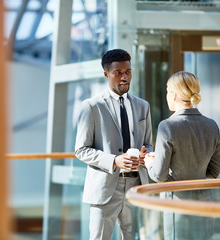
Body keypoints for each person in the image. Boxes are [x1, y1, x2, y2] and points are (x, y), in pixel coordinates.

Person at [75, 48, 153, 240]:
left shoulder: (143, 106)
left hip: (137, 185)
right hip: (105, 187)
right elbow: (81, 150)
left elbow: (148, 144)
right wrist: (114, 160)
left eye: (128, 72)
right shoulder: (92, 107)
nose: (124, 77)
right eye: (118, 73)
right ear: (106, 74)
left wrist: (146, 155)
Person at [144, 71, 220, 240]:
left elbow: (159, 175)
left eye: (167, 91)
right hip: (205, 204)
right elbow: (214, 172)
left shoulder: (167, 126)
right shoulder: (212, 125)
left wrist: (150, 161)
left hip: (177, 205)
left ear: (174, 95)